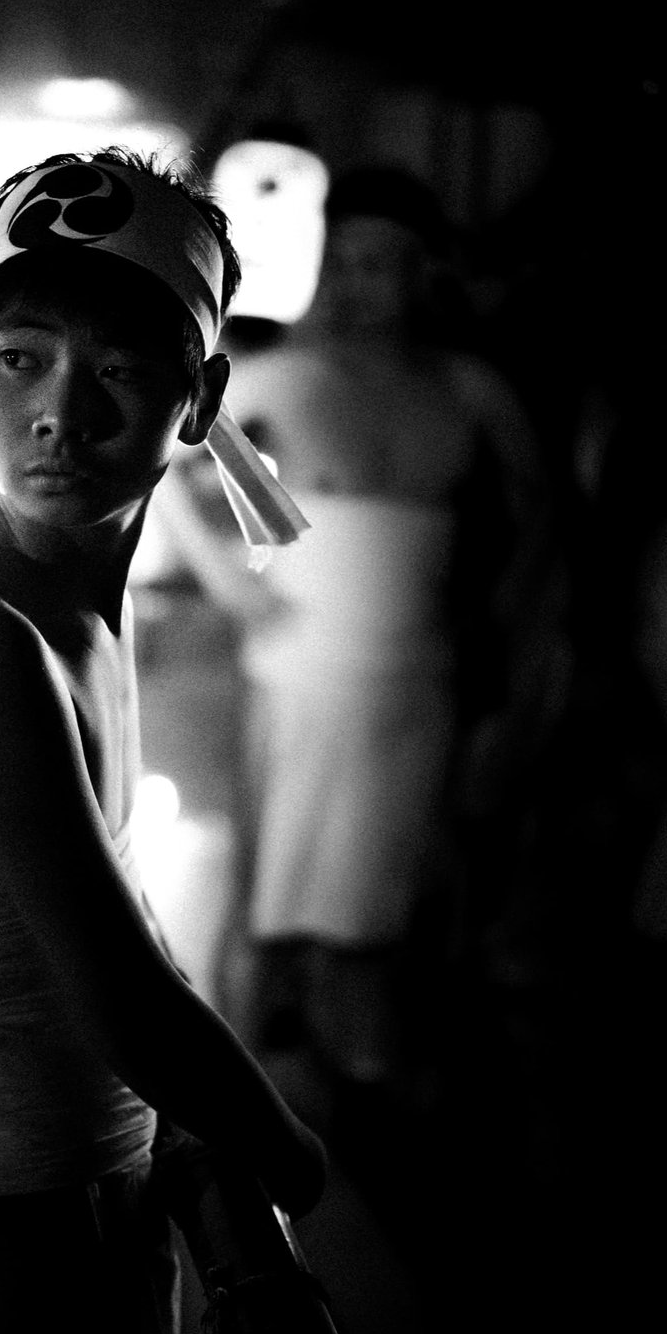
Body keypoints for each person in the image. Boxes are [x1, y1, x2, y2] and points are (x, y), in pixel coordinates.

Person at [0, 146, 327, 1334]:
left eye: (118, 368)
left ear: (196, 401)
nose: (60, 410)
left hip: (82, 1226)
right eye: (22, 357)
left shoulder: (75, 612)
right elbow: (126, 1001)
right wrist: (289, 1156)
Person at [157, 165, 562, 1098]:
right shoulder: (289, 376)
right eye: (348, 260)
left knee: (379, 901)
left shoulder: (467, 387)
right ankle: (234, 1083)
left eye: (385, 262)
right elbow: (179, 453)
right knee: (269, 898)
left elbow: (542, 504)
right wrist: (228, 574)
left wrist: (511, 597)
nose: (362, 282)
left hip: (416, 671)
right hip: (294, 667)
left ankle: (348, 1078)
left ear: (426, 272)